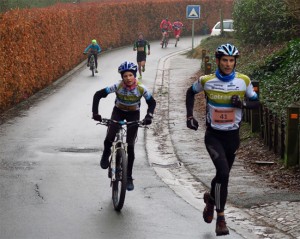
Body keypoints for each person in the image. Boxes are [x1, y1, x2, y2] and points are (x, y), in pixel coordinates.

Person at [185, 43, 260, 236]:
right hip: (213, 136)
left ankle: (211, 199)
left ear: (235, 62)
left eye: (231, 60)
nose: (228, 64)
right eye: (225, 60)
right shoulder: (206, 81)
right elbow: (190, 92)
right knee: (224, 173)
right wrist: (189, 116)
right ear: (218, 61)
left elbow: (256, 102)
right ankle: (221, 218)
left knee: (222, 177)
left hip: (233, 137)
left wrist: (242, 103)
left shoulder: (243, 80)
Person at [92, 61, 156, 191]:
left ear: (134, 76)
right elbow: (98, 94)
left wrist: (149, 115)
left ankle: (129, 177)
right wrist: (95, 113)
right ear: (122, 77)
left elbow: (152, 102)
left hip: (133, 114)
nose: (128, 78)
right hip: (118, 112)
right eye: (125, 76)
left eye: (130, 75)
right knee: (110, 136)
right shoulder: (117, 86)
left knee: (131, 146)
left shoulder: (141, 89)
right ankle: (106, 153)